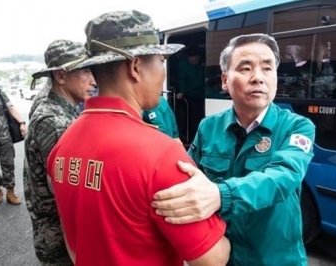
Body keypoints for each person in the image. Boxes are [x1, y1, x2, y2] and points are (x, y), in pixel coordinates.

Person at [46, 10, 230, 266]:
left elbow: (73, 245)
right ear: (135, 67)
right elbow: (212, 259)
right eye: (160, 61)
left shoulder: (63, 145)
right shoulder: (160, 154)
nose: (164, 73)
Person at [152, 33, 316, 266]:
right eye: (246, 68)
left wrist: (221, 195)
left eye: (267, 69)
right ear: (225, 80)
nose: (258, 78)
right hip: (222, 256)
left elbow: (283, 177)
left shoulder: (297, 127)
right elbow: (186, 176)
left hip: (276, 259)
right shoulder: (209, 126)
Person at [24, 39, 96, 266]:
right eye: (85, 71)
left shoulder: (55, 105)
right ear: (61, 76)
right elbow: (68, 192)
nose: (93, 81)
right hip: (61, 239)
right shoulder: (54, 121)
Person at [0, 73, 25, 205]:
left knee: (8, 164)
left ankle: (10, 192)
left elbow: (10, 108)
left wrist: (21, 123)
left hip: (4, 137)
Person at [177, 45, 205, 142]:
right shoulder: (182, 65)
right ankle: (192, 137)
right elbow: (181, 80)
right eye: (192, 61)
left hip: (201, 94)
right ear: (188, 58)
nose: (194, 63)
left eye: (196, 61)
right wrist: (181, 91)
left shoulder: (201, 64)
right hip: (189, 94)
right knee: (192, 117)